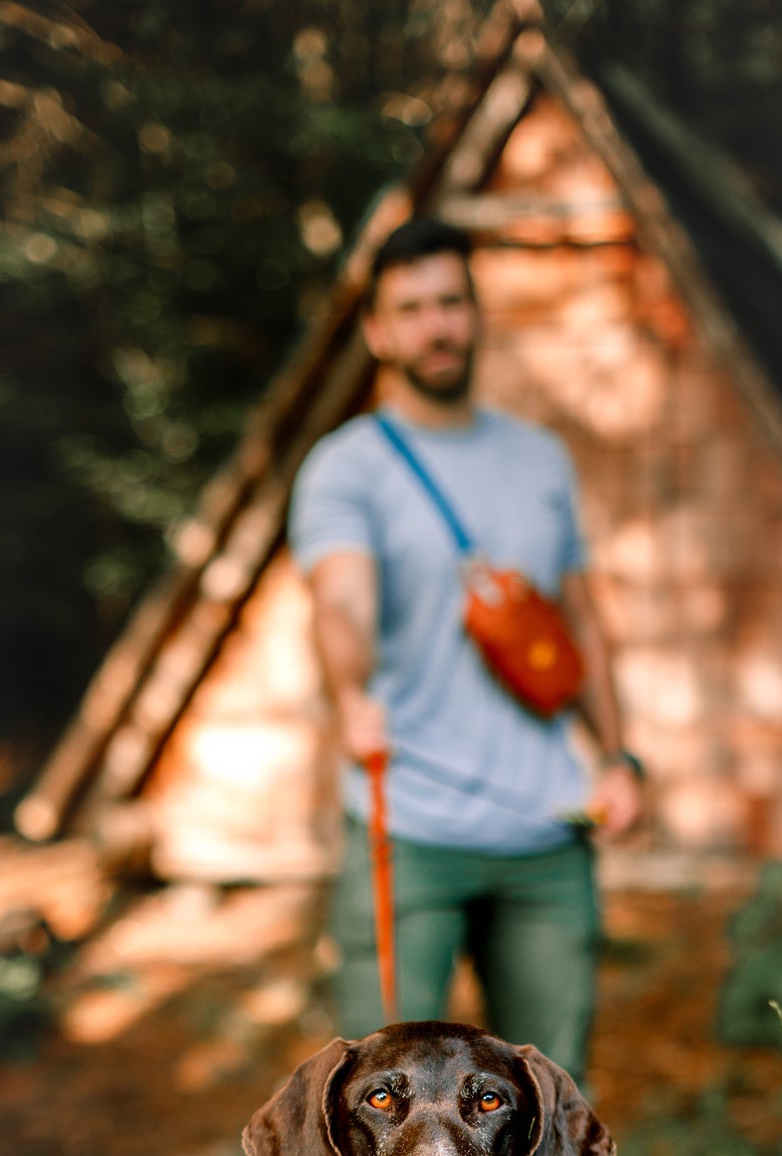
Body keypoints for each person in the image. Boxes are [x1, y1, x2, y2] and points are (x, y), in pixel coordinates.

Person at [288, 216, 644, 1095]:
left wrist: (619, 755)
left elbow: (579, 625)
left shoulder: (538, 458)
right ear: (377, 331)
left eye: (450, 302)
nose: (435, 325)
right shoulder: (347, 468)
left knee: (549, 1105)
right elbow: (341, 599)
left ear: (477, 315)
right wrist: (350, 691)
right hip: (408, 825)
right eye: (409, 309)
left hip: (545, 829)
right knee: (387, 1098)